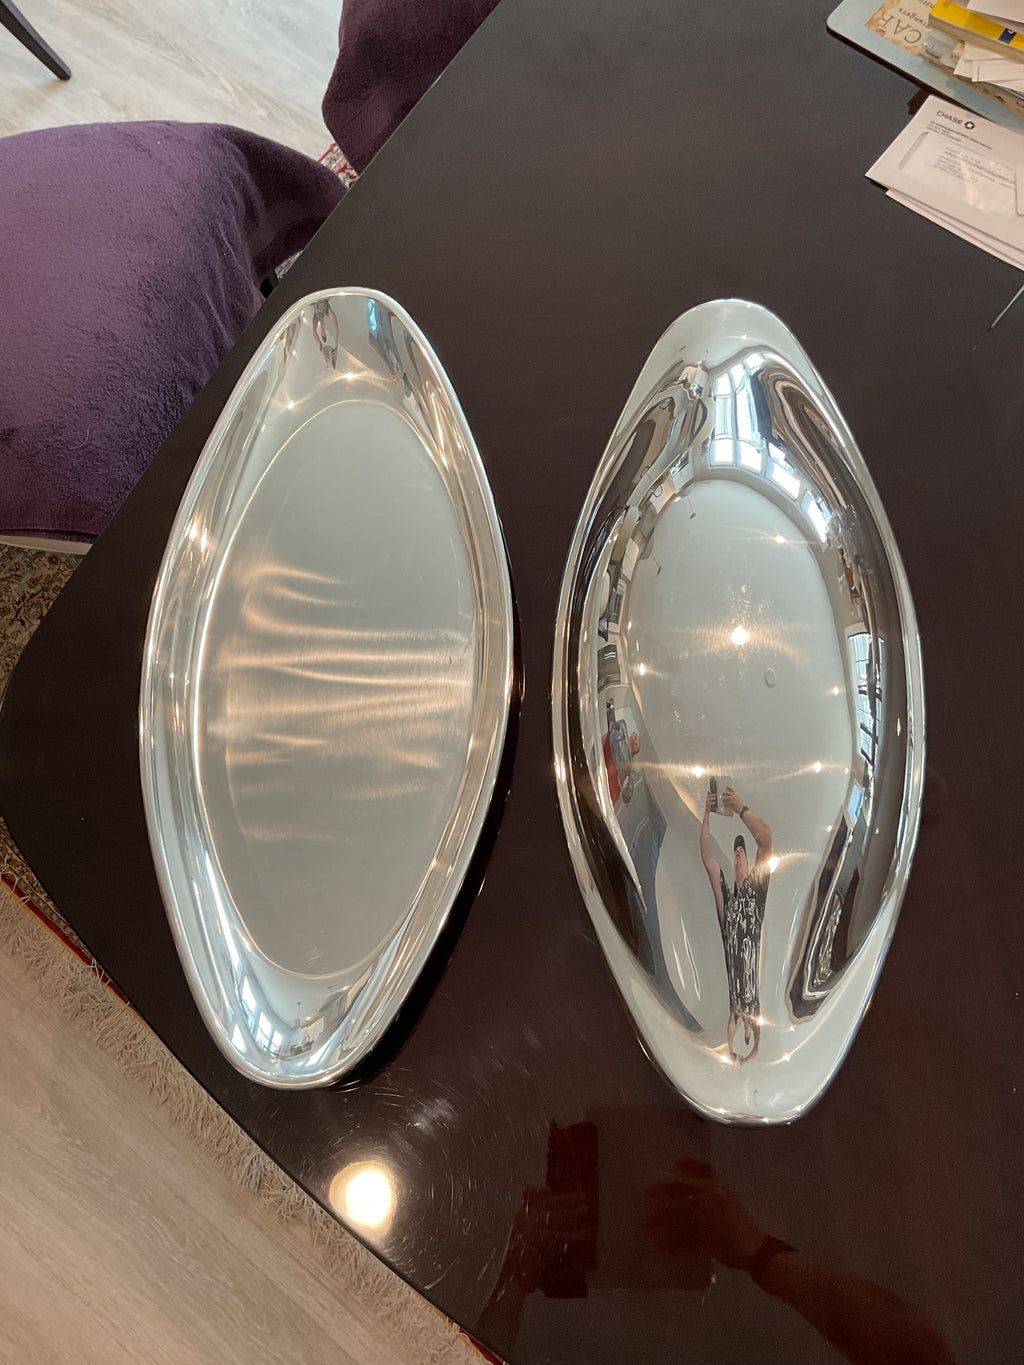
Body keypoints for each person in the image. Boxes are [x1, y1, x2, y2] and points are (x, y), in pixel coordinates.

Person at [699, 785, 772, 1063]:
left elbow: (766, 840)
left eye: (742, 849)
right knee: (738, 1020)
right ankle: (740, 1044)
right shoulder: (726, 900)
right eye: (735, 850)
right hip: (736, 997)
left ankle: (749, 1044)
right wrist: (706, 814)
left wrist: (740, 808)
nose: (738, 852)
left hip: (747, 996)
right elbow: (707, 859)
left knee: (747, 1020)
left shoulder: (757, 894)